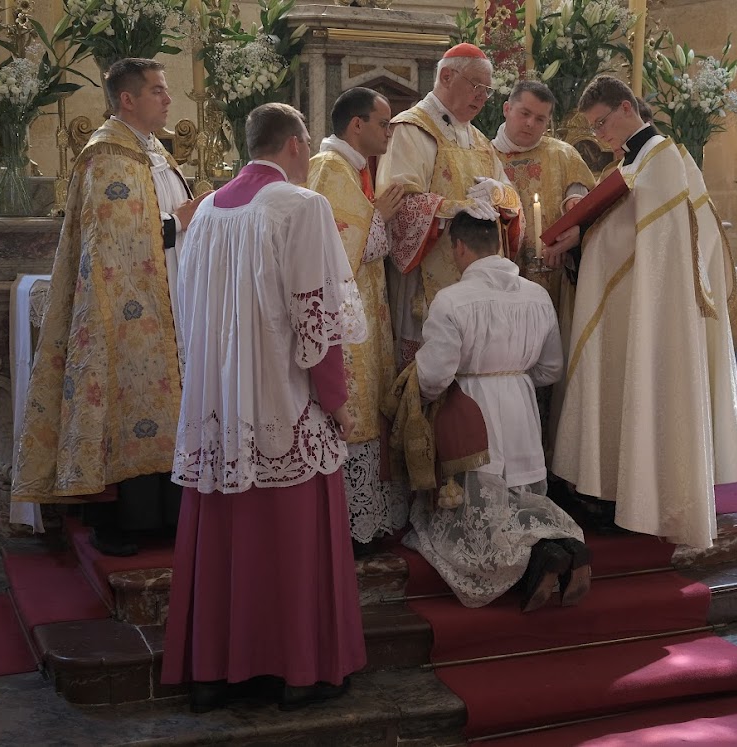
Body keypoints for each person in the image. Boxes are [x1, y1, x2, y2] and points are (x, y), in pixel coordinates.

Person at [161, 103, 369, 713]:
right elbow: (317, 321)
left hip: (223, 405)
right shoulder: (302, 208)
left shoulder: (205, 215)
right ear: (298, 145)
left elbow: (189, 316)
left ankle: (216, 673)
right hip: (285, 401)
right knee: (293, 544)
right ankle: (299, 671)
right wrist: (337, 403)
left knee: (228, 541)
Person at [544, 74, 737, 547]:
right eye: (594, 129)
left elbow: (640, 240)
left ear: (624, 107)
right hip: (633, 307)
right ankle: (620, 493)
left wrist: (583, 236)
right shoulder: (639, 161)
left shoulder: (660, 158)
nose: (600, 135)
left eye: (601, 124)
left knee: (646, 389)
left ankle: (645, 499)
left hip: (652, 312)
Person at [11, 58, 205, 557]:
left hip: (166, 300)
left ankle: (163, 516)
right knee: (122, 399)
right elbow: (112, 236)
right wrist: (179, 222)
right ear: (127, 99)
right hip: (119, 308)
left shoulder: (152, 151)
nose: (167, 99)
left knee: (165, 403)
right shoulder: (105, 154)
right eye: (158, 91)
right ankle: (114, 521)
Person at [405, 213, 589, 612]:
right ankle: (563, 547)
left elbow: (434, 376)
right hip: (521, 405)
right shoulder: (537, 295)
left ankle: (534, 561)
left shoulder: (451, 299)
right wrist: (516, 378)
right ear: (498, 246)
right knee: (520, 497)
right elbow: (552, 368)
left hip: (471, 411)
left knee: (477, 514)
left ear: (459, 247)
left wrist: (410, 392)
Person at [306, 87, 409, 555]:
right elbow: (339, 253)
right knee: (353, 411)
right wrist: (381, 219)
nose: (390, 131)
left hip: (364, 309)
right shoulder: (330, 169)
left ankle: (366, 519)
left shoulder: (352, 169)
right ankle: (349, 524)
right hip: (345, 321)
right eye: (384, 123)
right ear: (357, 126)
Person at [377, 42, 522, 364]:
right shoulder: (410, 129)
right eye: (476, 87)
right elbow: (396, 204)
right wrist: (450, 208)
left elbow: (514, 200)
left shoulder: (481, 141)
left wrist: (499, 193)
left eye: (487, 91)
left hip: (478, 284)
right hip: (425, 282)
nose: (483, 97)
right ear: (445, 76)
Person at [492, 80, 596, 308]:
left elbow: (583, 202)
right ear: (507, 109)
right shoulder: (485, 156)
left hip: (554, 273)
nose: (530, 123)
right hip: (500, 278)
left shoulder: (563, 154)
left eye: (540, 119)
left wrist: (566, 237)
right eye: (525, 113)